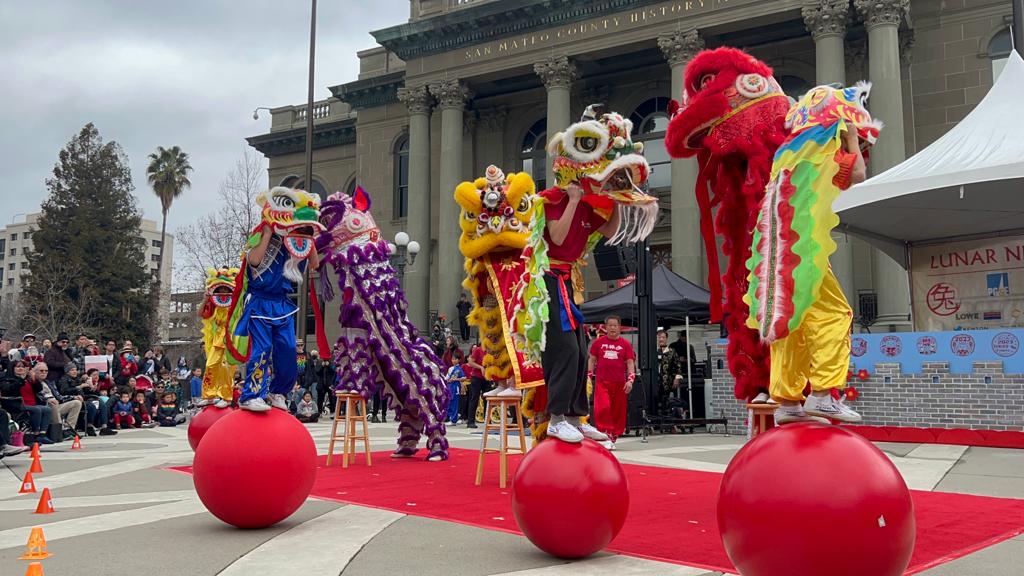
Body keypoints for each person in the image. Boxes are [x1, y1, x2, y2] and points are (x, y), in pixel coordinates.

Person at [743, 84, 874, 425]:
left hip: (778, 249)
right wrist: (849, 135)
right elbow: (857, 173)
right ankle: (822, 394)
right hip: (804, 251)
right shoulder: (827, 148)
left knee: (790, 321)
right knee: (835, 314)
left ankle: (786, 401)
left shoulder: (788, 151)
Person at [226, 188, 322, 412]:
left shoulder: (293, 246)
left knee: (289, 349)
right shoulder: (260, 239)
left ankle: (278, 390)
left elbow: (315, 264)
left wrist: (310, 236)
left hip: (282, 304)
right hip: (260, 302)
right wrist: (268, 233)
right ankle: (251, 395)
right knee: (262, 348)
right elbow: (255, 261)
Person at [587, 316, 635, 449]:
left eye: (615, 325)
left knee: (618, 411)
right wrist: (589, 376)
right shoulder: (598, 343)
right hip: (602, 382)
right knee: (603, 407)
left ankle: (613, 437)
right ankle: (605, 433)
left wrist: (630, 380)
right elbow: (592, 359)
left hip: (620, 383)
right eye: (610, 325)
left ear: (619, 327)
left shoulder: (625, 344)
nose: (613, 328)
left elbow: (630, 363)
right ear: (605, 327)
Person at [3, 360, 54, 444]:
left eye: (23, 367)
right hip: (16, 404)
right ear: (13, 368)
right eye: (18, 367)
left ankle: (42, 434)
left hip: (31, 403)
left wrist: (34, 380)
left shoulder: (27, 379)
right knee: (36, 410)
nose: (21, 368)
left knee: (47, 409)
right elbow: (10, 389)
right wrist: (21, 379)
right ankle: (35, 434)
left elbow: (39, 389)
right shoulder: (9, 379)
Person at [656, 329, 685, 417]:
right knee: (656, 402)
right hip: (655, 383)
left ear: (666, 339)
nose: (661, 339)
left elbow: (678, 367)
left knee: (668, 402)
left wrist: (677, 378)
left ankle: (670, 421)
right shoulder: (653, 351)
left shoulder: (672, 352)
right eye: (659, 337)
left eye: (663, 337)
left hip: (668, 382)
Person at [464, 343, 487, 428]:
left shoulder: (491, 351)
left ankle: (487, 420)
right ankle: (470, 421)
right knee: (474, 398)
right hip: (476, 377)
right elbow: (470, 362)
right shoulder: (478, 350)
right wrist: (480, 367)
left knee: (487, 399)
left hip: (487, 377)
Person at [444, 355, 464, 425]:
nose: (453, 361)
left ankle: (453, 420)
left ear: (458, 360)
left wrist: (456, 379)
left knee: (454, 403)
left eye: (455, 359)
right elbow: (446, 378)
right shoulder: (450, 368)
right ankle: (454, 417)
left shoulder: (459, 369)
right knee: (449, 402)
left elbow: (464, 378)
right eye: (452, 359)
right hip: (450, 386)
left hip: (456, 387)